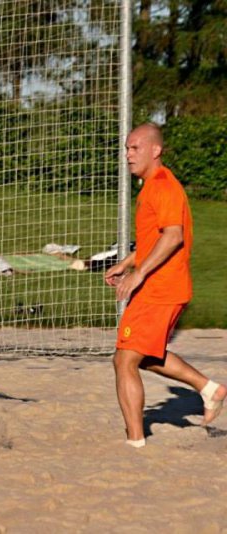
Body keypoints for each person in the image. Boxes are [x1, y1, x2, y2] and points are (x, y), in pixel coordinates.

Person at [105, 123, 225, 448]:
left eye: (135, 148)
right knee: (142, 356)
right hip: (159, 287)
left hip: (161, 288)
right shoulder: (151, 186)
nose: (128, 155)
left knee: (124, 360)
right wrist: (127, 263)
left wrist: (139, 274)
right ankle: (209, 388)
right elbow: (155, 238)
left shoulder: (163, 186)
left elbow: (174, 236)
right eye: (127, 149)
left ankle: (135, 442)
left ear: (155, 150)